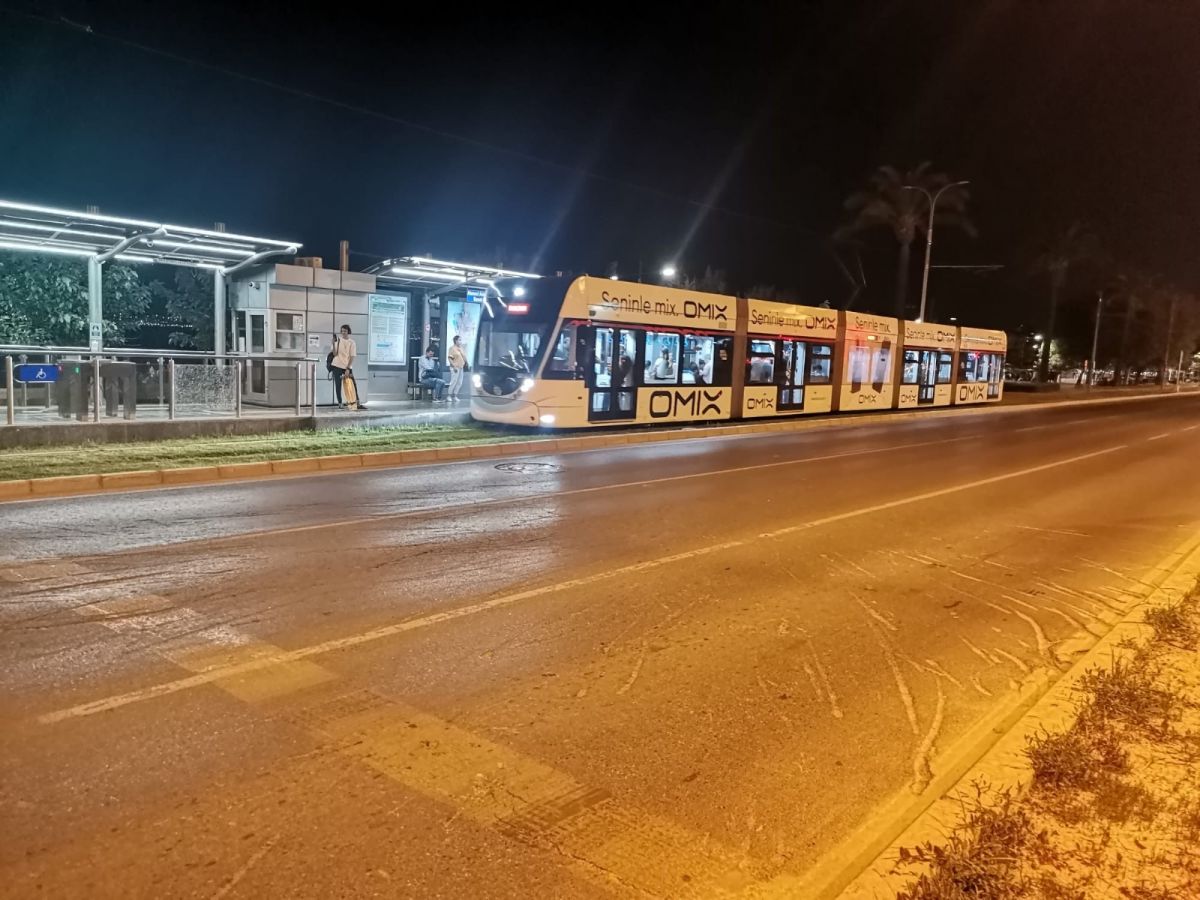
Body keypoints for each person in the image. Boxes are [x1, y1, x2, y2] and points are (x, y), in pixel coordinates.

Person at [329, 325, 366, 409]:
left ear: (348, 331)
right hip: (337, 365)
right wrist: (333, 343)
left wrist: (348, 368)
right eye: (342, 331)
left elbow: (352, 356)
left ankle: (357, 403)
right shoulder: (338, 340)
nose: (343, 332)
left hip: (347, 366)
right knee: (338, 385)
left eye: (345, 331)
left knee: (353, 384)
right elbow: (334, 354)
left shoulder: (352, 342)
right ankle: (340, 403)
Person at [447, 334, 468, 402]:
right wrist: (453, 366)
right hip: (455, 367)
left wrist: (466, 363)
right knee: (454, 381)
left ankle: (455, 395)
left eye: (461, 340)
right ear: (456, 341)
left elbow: (464, 357)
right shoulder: (452, 348)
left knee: (459, 382)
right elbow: (450, 358)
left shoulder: (461, 348)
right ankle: (449, 396)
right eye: (459, 340)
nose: (460, 341)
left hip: (461, 367)